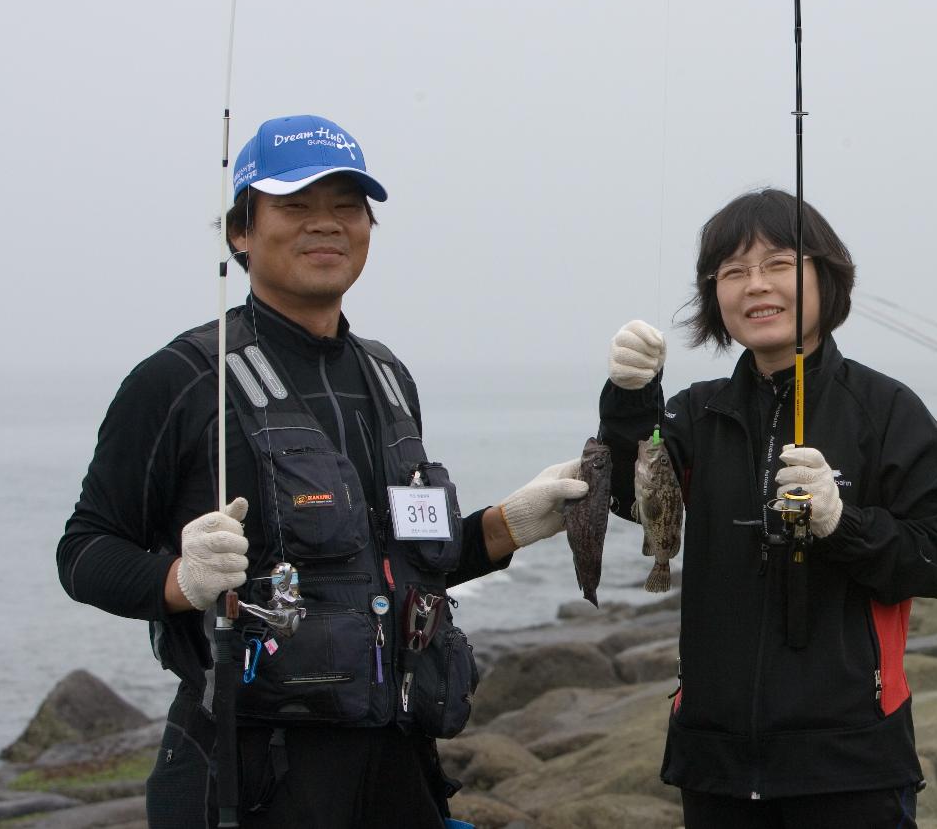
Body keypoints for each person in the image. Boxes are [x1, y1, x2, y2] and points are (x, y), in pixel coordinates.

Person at [56, 115, 588, 828]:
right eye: (296, 206)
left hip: (400, 771)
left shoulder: (389, 377)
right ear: (241, 231)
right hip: (249, 776)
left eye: (347, 206)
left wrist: (511, 523)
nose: (327, 225)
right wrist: (179, 581)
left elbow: (395, 573)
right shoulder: (182, 381)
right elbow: (85, 550)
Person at [598, 189, 937, 827]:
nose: (755, 286)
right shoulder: (694, 411)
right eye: (733, 272)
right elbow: (634, 496)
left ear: (827, 277)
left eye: (778, 264)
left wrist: (839, 522)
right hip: (714, 761)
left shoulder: (885, 411)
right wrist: (630, 400)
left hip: (852, 762)